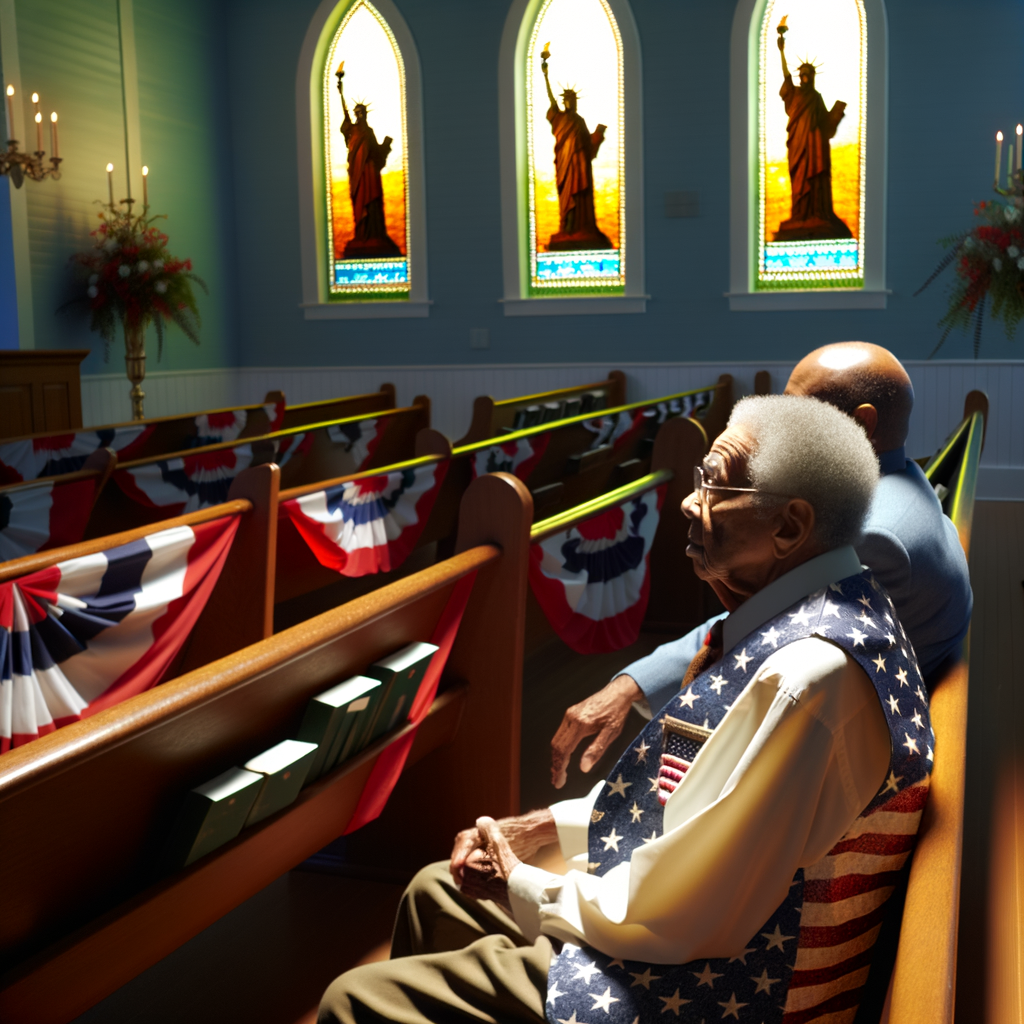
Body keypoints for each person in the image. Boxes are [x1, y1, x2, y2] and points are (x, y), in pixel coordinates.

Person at [318, 396, 932, 1024]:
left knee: (353, 1000)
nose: (689, 502)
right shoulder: (818, 604)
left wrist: (522, 882)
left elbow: (685, 913)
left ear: (789, 527)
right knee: (434, 891)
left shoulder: (807, 677)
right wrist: (543, 828)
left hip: (711, 985)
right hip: (683, 927)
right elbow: (696, 797)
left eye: (715, 483)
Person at [550, 341, 971, 790]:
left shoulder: (868, 535)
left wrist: (631, 690)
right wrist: (637, 681)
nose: (777, 426)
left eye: (796, 413)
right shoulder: (896, 478)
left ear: (861, 424)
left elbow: (762, 631)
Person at [774, 24, 852, 241]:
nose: (804, 78)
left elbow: (826, 125)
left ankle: (817, 214)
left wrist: (837, 113)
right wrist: (781, 52)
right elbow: (786, 77)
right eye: (802, 75)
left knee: (815, 178)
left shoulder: (816, 97)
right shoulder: (795, 94)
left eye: (808, 75)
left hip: (814, 146)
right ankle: (800, 215)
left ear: (812, 76)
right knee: (799, 179)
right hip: (797, 144)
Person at [541, 54, 611, 251]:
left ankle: (580, 229)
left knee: (580, 195)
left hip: (580, 165)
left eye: (573, 100)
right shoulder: (559, 118)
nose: (571, 103)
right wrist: (545, 76)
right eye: (568, 100)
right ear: (564, 102)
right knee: (567, 196)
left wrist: (598, 134)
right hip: (564, 163)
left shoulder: (579, 121)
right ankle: (567, 229)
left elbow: (587, 146)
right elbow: (551, 99)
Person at [337, 76, 401, 260]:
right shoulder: (352, 130)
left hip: (371, 172)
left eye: (362, 112)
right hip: (357, 173)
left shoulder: (369, 131)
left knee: (373, 202)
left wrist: (386, 145)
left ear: (366, 114)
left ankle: (375, 234)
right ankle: (362, 235)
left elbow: (377, 153)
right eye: (357, 113)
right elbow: (345, 116)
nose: (360, 115)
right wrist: (341, 92)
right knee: (359, 203)